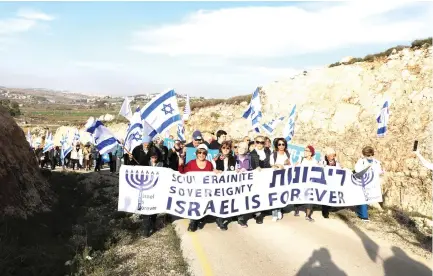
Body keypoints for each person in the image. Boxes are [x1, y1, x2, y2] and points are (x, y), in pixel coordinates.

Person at [178, 144, 215, 232]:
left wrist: (217, 172)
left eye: (203, 153)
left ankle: (200, 219)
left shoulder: (209, 164)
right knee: (194, 206)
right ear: (196, 153)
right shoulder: (191, 163)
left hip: (204, 191)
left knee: (202, 206)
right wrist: (181, 161)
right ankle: (193, 222)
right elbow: (182, 171)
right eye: (199, 152)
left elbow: (212, 176)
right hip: (193, 191)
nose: (201, 155)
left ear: (206, 154)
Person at [131, 138, 162, 237]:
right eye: (152, 157)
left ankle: (152, 225)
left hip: (156, 191)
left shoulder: (161, 165)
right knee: (146, 212)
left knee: (154, 211)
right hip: (146, 190)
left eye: (155, 156)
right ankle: (145, 230)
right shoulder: (145, 164)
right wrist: (131, 159)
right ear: (150, 157)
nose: (154, 158)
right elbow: (134, 168)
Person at [354, 146, 384, 221]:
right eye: (368, 155)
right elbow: (357, 170)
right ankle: (364, 216)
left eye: (371, 155)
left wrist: (381, 172)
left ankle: (359, 212)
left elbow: (379, 171)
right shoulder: (361, 161)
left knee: (370, 198)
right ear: (364, 155)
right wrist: (366, 169)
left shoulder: (376, 162)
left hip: (372, 184)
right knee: (363, 198)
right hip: (363, 182)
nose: (370, 157)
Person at [213, 141, 236, 230]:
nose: (225, 150)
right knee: (220, 200)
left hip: (230, 183)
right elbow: (212, 167)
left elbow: (234, 168)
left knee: (229, 199)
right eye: (224, 148)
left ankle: (229, 215)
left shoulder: (233, 158)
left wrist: (237, 170)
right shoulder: (216, 157)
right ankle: (220, 219)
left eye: (227, 148)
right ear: (221, 148)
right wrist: (214, 170)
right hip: (220, 183)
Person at [249, 136, 272, 224]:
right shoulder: (251, 153)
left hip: (265, 177)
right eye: (258, 142)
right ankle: (258, 215)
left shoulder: (267, 152)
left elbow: (270, 163)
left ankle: (263, 210)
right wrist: (255, 168)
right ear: (255, 143)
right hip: (255, 178)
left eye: (262, 142)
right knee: (256, 195)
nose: (259, 144)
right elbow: (249, 166)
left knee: (264, 194)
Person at [294, 145, 318, 222]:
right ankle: (297, 209)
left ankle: (308, 215)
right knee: (299, 196)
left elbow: (318, 169)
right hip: (301, 182)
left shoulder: (314, 161)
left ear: (311, 153)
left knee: (310, 198)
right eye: (304, 150)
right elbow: (295, 167)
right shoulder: (301, 159)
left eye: (307, 150)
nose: (305, 152)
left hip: (310, 183)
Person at [270, 138, 291, 221]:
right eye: (279, 144)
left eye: (283, 144)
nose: (281, 146)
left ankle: (279, 210)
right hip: (275, 178)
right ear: (277, 145)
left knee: (281, 194)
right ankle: (274, 213)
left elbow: (290, 164)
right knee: (275, 194)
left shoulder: (288, 154)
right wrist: (279, 165)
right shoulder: (274, 154)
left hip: (285, 177)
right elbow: (271, 165)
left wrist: (286, 164)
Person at [234, 141, 252, 228]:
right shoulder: (233, 158)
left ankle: (241, 219)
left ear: (247, 150)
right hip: (234, 184)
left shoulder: (250, 158)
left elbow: (254, 169)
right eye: (240, 147)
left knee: (242, 200)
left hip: (245, 184)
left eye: (244, 148)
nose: (242, 149)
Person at [321, 147, 341, 218]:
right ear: (327, 156)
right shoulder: (323, 161)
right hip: (325, 181)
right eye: (331, 155)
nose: (333, 157)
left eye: (334, 155)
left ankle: (328, 207)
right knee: (325, 196)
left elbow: (339, 170)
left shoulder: (337, 163)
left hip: (333, 182)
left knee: (330, 195)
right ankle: (325, 212)